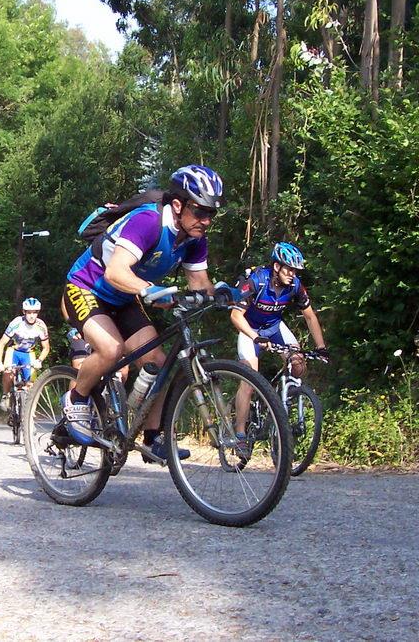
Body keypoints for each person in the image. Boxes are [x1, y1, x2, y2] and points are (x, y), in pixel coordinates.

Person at [61, 165, 225, 461]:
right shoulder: (148, 221)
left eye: (211, 213)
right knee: (111, 350)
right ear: (178, 205)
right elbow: (115, 272)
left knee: (157, 361)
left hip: (124, 296)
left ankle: (152, 437)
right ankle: (76, 398)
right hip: (87, 286)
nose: (206, 221)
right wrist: (149, 289)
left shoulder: (195, 237)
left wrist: (230, 295)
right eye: (200, 211)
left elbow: (200, 283)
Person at [228, 242, 328, 459]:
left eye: (295, 271)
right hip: (249, 329)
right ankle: (240, 435)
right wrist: (255, 337)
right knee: (249, 380)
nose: (293, 275)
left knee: (298, 362)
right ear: (276, 266)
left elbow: (310, 316)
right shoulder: (257, 280)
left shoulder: (295, 286)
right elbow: (235, 316)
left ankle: (284, 401)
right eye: (289, 269)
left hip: (274, 327)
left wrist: (321, 347)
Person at [0, 297, 50, 412]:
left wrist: (39, 360)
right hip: (13, 351)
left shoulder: (41, 326)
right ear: (24, 312)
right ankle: (5, 395)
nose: (32, 316)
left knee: (31, 384)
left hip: (29, 353)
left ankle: (29, 413)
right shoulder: (16, 323)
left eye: (35, 312)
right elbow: (1, 343)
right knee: (8, 373)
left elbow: (46, 348)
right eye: (29, 312)